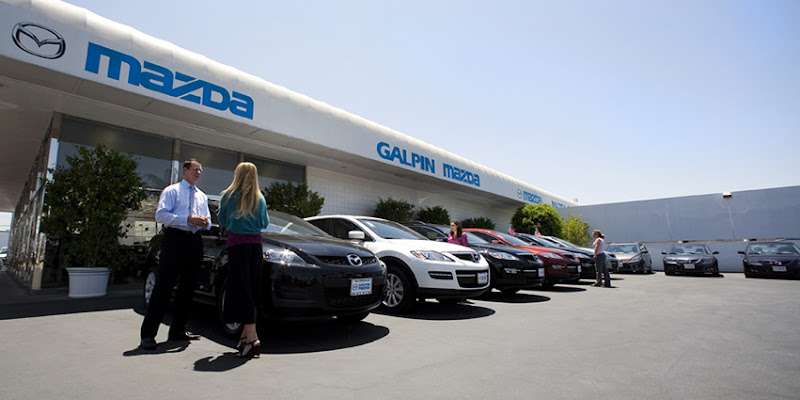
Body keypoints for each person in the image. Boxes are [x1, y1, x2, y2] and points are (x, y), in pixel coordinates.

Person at [140, 159, 211, 350]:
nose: (198, 173)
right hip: (174, 239)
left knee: (188, 288)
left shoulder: (202, 196)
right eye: (195, 169)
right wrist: (187, 219)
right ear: (185, 170)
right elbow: (161, 215)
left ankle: (178, 330)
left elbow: (208, 221)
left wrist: (205, 222)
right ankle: (148, 335)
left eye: (200, 170)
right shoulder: (172, 191)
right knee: (164, 286)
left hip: (194, 241)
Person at [218, 162, 270, 358]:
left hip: (237, 246)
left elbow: (222, 220)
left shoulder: (228, 196)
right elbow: (264, 223)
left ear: (237, 175)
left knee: (241, 290)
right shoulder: (259, 198)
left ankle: (252, 338)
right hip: (255, 246)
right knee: (251, 290)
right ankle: (246, 338)